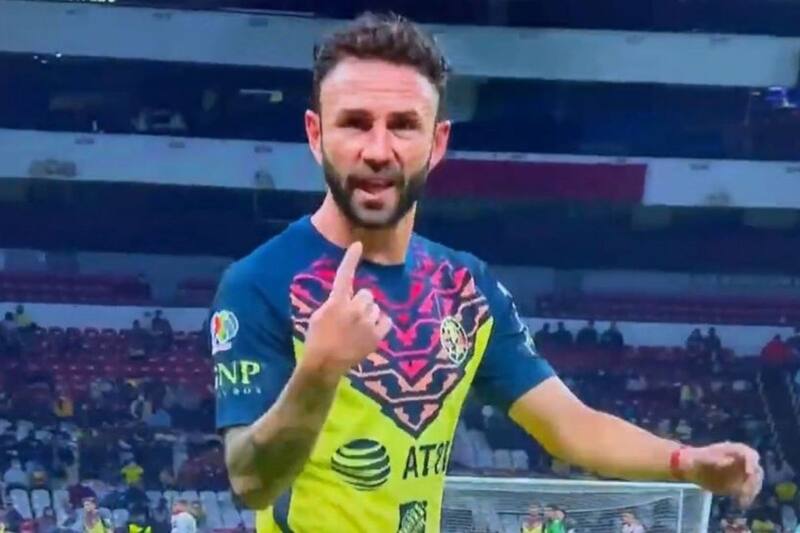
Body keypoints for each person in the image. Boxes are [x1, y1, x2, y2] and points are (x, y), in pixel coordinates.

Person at [213, 12, 763, 533]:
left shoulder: (464, 288)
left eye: (403, 125)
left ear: (437, 143)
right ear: (315, 135)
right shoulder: (259, 283)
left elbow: (571, 426)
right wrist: (319, 370)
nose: (378, 150)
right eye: (355, 123)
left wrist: (685, 461)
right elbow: (250, 481)